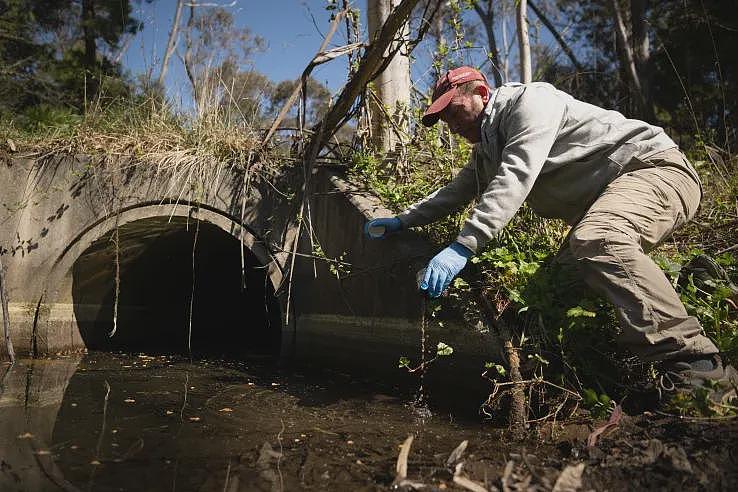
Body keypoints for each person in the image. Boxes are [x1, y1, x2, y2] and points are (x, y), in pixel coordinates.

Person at [364, 66, 736, 401]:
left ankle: (700, 367)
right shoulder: (487, 148)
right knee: (554, 289)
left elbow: (515, 177)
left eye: (455, 111)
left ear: (481, 92)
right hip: (613, 196)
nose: (453, 125)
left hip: (655, 170)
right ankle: (690, 290)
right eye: (444, 119)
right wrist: (403, 220)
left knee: (597, 239)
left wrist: (463, 246)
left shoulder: (529, 104)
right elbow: (456, 192)